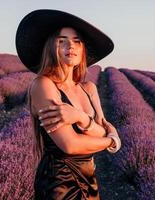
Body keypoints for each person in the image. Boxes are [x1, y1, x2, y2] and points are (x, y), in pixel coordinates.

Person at [16, 9, 121, 200]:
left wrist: (80, 118)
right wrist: (112, 142)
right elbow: (70, 144)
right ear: (50, 47)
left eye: (76, 41)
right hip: (59, 183)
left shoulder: (89, 89)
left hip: (90, 179)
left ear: (83, 50)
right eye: (61, 40)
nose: (70, 46)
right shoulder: (44, 85)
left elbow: (102, 129)